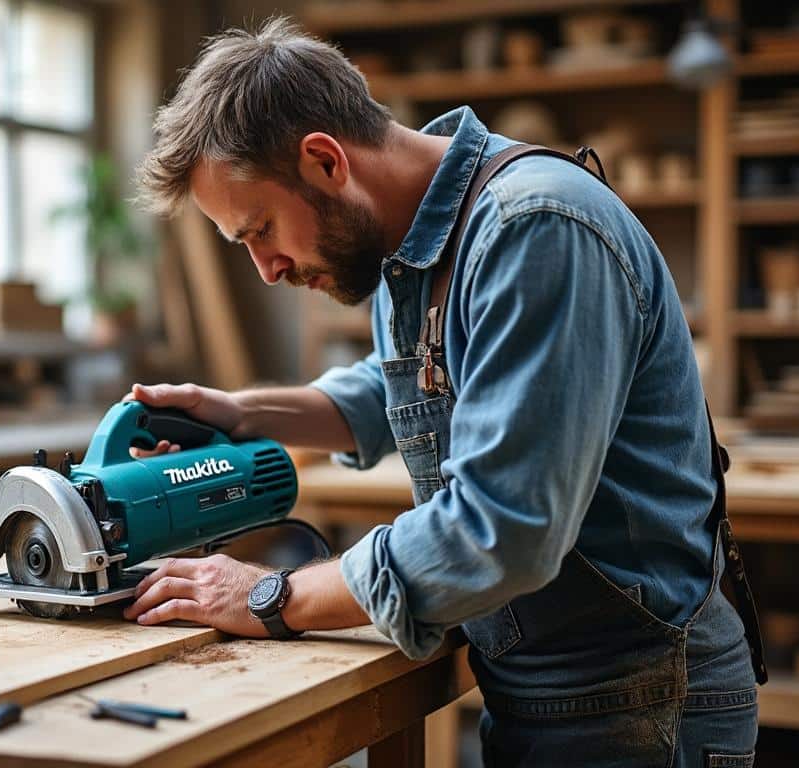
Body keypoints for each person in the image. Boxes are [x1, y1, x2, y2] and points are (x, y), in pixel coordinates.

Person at [121, 17, 762, 767]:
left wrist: (271, 597)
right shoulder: (413, 248)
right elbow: (392, 392)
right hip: (547, 690)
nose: (267, 269)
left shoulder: (533, 228)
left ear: (325, 160)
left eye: (260, 229)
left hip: (641, 702)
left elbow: (502, 527)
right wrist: (239, 413)